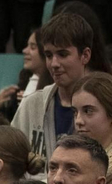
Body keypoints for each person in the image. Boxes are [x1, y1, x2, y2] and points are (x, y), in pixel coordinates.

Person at [13, 13, 94, 166]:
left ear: (85, 55)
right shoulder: (31, 105)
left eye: (62, 54)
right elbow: (11, 162)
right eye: (49, 55)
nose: (54, 64)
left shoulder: (103, 107)